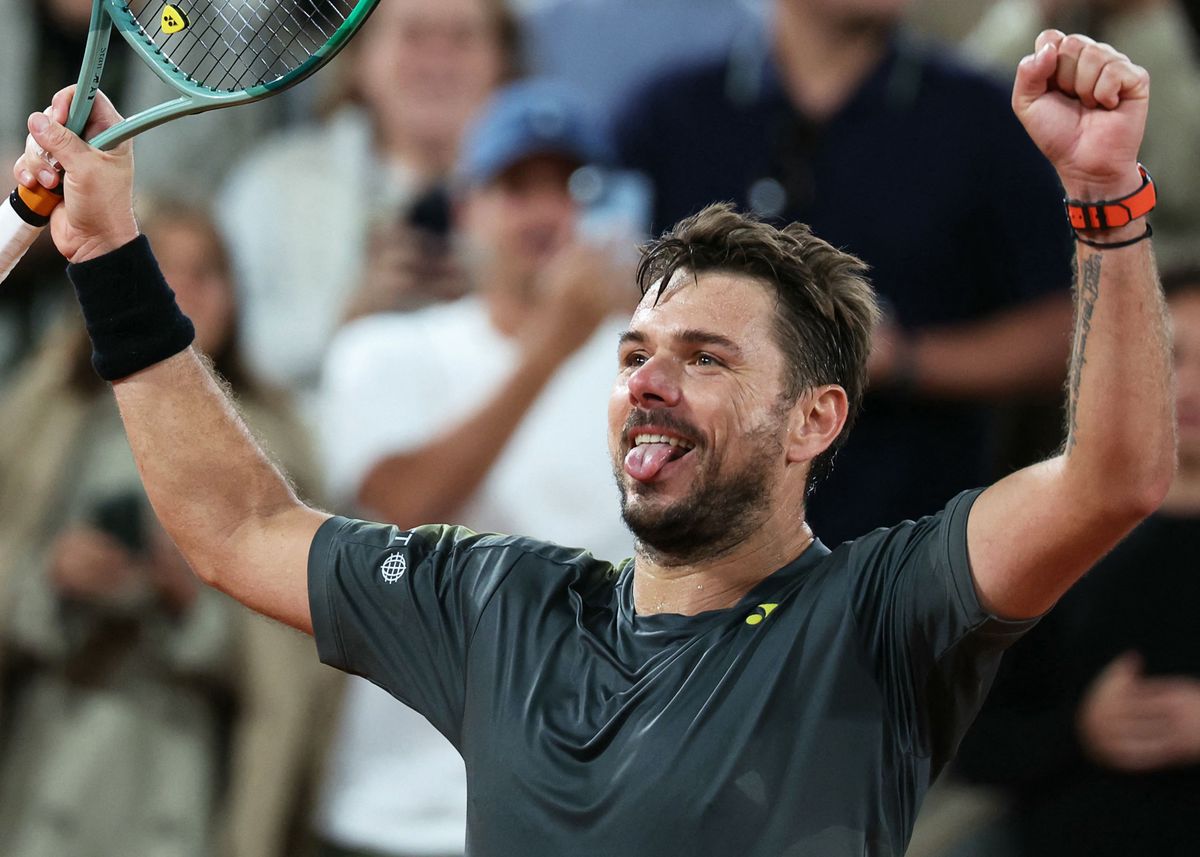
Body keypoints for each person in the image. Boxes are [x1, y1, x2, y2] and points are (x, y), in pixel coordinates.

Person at [9, 30, 1173, 857]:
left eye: (706, 359)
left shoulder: (882, 610)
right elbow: (238, 526)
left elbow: (1113, 478)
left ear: (816, 419)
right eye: (631, 355)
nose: (649, 384)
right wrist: (109, 247)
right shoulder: (502, 603)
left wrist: (1105, 196)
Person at [615, 0, 1076, 544]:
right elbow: (608, 301)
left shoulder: (982, 117)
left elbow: (1067, 329)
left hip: (918, 545)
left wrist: (904, 362)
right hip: (701, 548)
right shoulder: (670, 114)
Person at [312, 79, 634, 857]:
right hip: (399, 808)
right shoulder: (385, 352)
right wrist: (546, 353)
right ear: (464, 209)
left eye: (569, 185)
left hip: (592, 811)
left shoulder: (649, 370)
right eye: (514, 186)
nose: (545, 210)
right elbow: (397, 513)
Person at [0, 203, 332, 857]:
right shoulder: (43, 413)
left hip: (184, 772)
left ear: (236, 296)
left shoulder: (281, 447)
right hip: (46, 749)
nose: (183, 288)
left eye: (207, 270)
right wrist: (52, 579)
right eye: (160, 265)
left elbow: (301, 668)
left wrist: (197, 603)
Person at [955, 264, 1200, 857]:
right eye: (1173, 356)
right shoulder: (1050, 530)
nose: (1191, 386)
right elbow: (973, 741)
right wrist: (1081, 731)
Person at [217, 0, 518, 403]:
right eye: (414, 35)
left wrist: (499, 299)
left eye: (463, 38)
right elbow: (217, 354)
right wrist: (346, 319)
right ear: (357, 57)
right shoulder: (272, 184)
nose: (438, 59)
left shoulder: (558, 200)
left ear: (502, 61)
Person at [963, 0, 1200, 271]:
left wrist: (1145, 18)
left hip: (1172, 271)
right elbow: (962, 117)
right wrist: (1035, 11)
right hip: (1043, 270)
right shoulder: (1045, 23)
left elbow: (1183, 193)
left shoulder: (1164, 32)